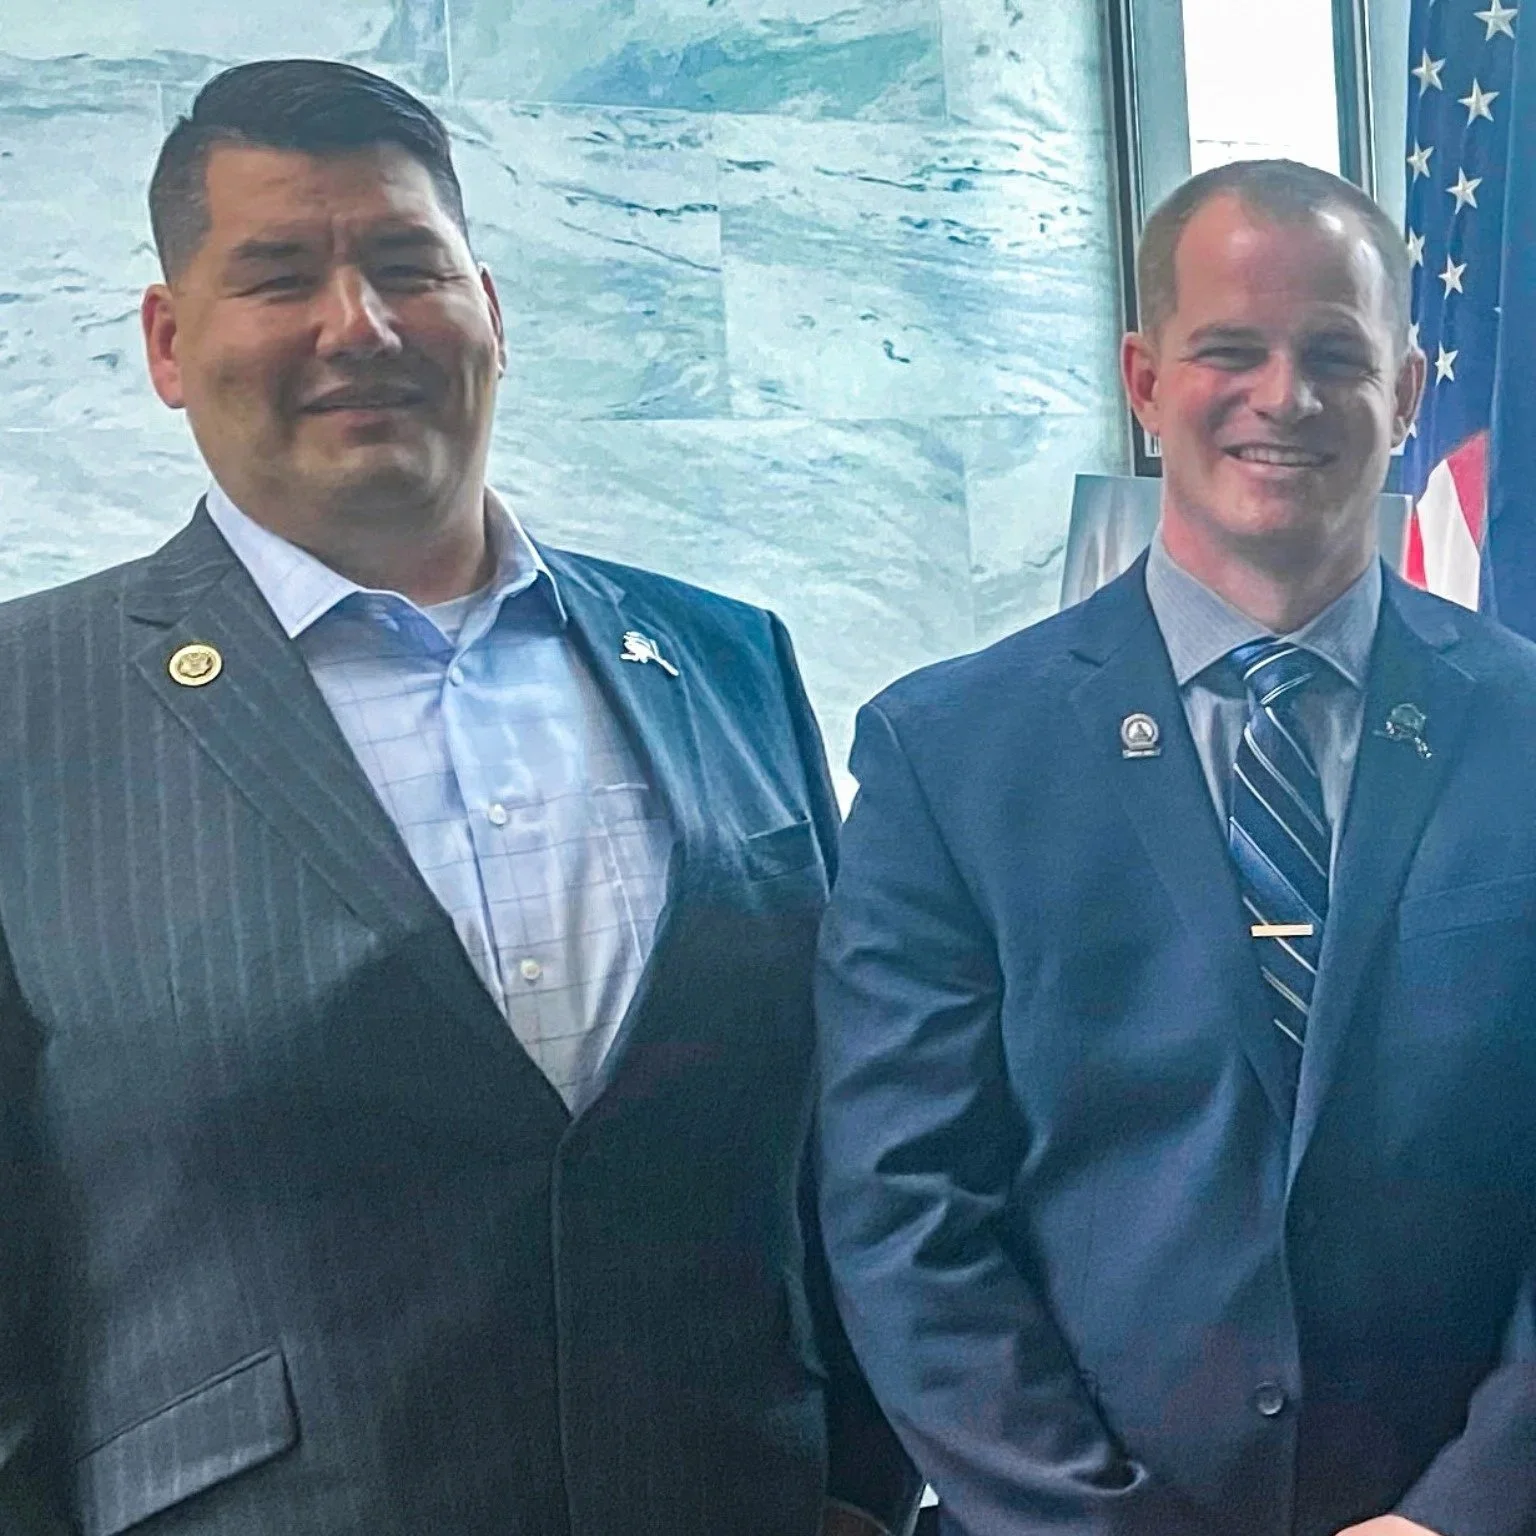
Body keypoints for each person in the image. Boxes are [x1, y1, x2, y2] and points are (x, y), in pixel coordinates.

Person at [0, 58, 917, 1536]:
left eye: (407, 266)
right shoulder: (24, 709)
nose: (356, 326)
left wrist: (872, 1490)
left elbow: (839, 1146)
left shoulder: (728, 661)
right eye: (281, 275)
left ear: (490, 309)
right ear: (170, 342)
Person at [816, 157, 1536, 1536]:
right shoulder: (948, 755)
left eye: (1336, 352)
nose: (1286, 396)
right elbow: (904, 1214)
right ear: (1146, 382)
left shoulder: (1525, 728)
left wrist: (1471, 1507)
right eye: (1230, 351)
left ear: (1409, 387)